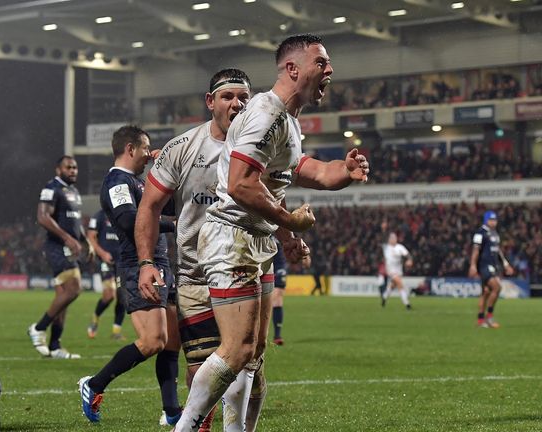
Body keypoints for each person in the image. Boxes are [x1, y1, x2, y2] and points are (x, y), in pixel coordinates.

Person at [171, 33, 370, 431]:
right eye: (321, 62)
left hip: (255, 239)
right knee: (237, 349)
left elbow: (304, 171)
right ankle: (184, 427)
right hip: (232, 235)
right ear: (293, 69)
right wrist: (290, 221)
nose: (329, 70)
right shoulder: (266, 112)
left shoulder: (289, 122)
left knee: (254, 354)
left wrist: (342, 172)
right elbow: (241, 183)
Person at [136, 68, 268, 432]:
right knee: (202, 370)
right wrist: (147, 261)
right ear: (211, 102)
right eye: (228, 97)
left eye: (243, 97)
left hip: (245, 271)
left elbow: (277, 196)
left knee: (248, 367)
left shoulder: (261, 147)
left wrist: (290, 235)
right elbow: (148, 206)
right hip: (196, 275)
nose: (236, 104)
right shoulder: (182, 149)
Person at [79, 125, 181, 425]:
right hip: (138, 265)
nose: (148, 155)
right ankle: (94, 385)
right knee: (152, 341)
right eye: (146, 149)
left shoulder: (139, 182)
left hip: (161, 263)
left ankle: (172, 411)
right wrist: (173, 226)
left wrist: (168, 166)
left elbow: (174, 203)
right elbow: (127, 220)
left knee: (171, 341)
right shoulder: (116, 181)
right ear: (130, 148)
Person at [28, 155, 89, 359]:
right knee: (74, 289)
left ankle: (55, 346)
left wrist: (85, 241)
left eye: (75, 167)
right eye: (68, 167)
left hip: (70, 246)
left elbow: (75, 221)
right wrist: (67, 238)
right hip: (56, 246)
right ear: (58, 169)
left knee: (64, 297)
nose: (73, 170)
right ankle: (38, 327)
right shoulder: (51, 188)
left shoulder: (74, 191)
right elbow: (43, 217)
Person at [86, 208, 126, 340]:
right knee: (109, 295)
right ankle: (95, 318)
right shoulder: (99, 215)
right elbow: (91, 236)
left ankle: (116, 331)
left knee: (122, 297)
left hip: (123, 260)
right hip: (106, 261)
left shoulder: (123, 213)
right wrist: (102, 254)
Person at [469, 210, 514, 328]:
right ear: (486, 220)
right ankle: (489, 317)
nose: (493, 222)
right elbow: (475, 250)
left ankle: (480, 320)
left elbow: (498, 251)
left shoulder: (495, 234)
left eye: (495, 220)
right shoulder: (480, 233)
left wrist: (505, 264)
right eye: (491, 220)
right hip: (484, 266)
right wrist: (473, 265)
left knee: (486, 292)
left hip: (493, 266)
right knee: (497, 287)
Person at [381, 232, 414, 310]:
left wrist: (410, 260)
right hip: (390, 270)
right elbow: (382, 238)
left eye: (395, 238)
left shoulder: (400, 247)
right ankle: (407, 304)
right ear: (389, 240)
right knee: (400, 284)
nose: (394, 239)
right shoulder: (386, 247)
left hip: (398, 270)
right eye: (392, 238)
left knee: (392, 286)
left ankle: (384, 297)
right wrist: (383, 229)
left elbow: (407, 255)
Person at [271, 240, 288, 346]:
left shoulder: (281, 226)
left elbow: (293, 237)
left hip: (278, 264)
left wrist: (305, 256)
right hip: (259, 261)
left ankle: (277, 336)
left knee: (277, 296)